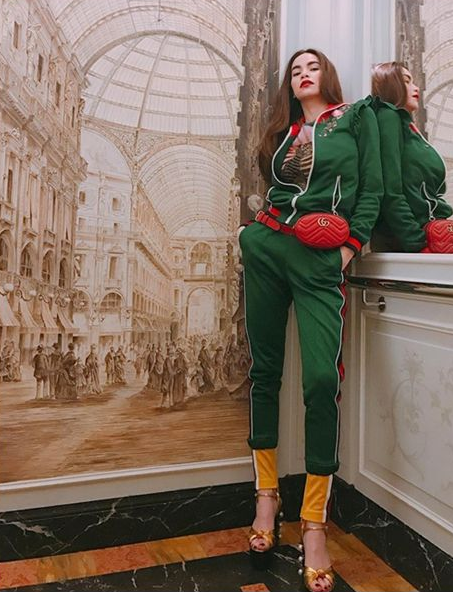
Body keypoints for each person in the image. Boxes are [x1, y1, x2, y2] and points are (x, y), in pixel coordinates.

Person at [239, 49, 383, 591]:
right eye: (295, 69)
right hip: (267, 246)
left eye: (312, 66)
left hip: (321, 257)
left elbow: (372, 188)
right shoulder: (284, 133)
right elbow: (278, 190)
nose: (303, 74)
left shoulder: (356, 119)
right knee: (264, 372)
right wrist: (251, 236)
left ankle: (314, 522)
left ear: (328, 75)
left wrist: (349, 247)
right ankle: (266, 498)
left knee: (322, 379)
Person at [370, 62, 452, 252]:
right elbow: (390, 192)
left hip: (433, 234)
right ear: (389, 84)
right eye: (406, 81)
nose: (415, 88)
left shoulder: (407, 127)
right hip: (410, 241)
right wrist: (417, 243)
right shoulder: (388, 116)